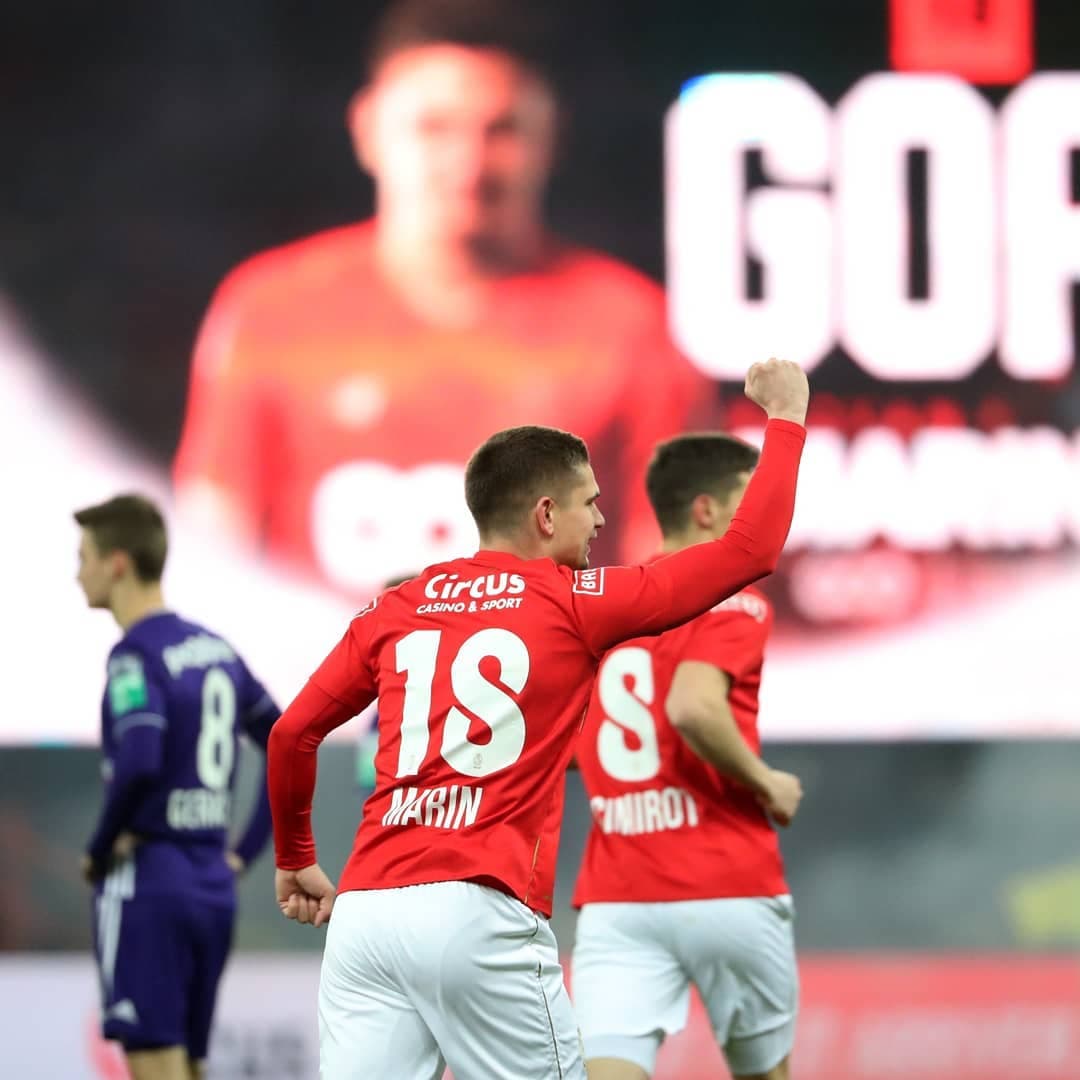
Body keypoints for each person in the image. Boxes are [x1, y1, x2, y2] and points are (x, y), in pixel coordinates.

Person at [266, 359, 807, 1080]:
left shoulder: (397, 606)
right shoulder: (573, 600)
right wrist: (788, 417)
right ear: (546, 515)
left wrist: (296, 856)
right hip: (479, 906)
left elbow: (291, 734)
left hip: (367, 916)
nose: (603, 519)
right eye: (590, 502)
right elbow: (749, 550)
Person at [172, 0, 707, 598]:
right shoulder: (272, 313)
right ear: (369, 129)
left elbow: (677, 581)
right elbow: (211, 554)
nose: (468, 162)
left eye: (501, 130)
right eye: (434, 127)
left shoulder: (630, 329)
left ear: (549, 137)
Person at [569, 433, 805, 1080]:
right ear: (705, 511)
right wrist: (766, 782)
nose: (760, 521)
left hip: (619, 895)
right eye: (746, 502)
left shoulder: (601, 607)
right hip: (724, 882)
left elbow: (566, 741)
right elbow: (692, 706)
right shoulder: (734, 597)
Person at [75, 494, 279, 1080]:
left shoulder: (134, 656)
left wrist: (98, 846)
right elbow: (288, 742)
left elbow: (140, 757)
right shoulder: (217, 650)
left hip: (149, 881)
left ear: (117, 563)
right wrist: (243, 852)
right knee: (188, 1067)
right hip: (212, 884)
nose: (76, 571)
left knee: (156, 1067)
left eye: (83, 555)